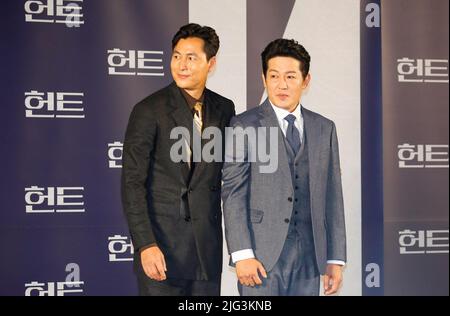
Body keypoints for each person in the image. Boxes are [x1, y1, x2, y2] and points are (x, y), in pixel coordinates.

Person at [222, 38, 346, 296]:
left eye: (290, 76)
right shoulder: (245, 125)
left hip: (310, 258)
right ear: (264, 78)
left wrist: (335, 258)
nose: (282, 84)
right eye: (274, 75)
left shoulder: (324, 128)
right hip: (260, 256)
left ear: (306, 80)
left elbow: (333, 195)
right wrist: (242, 253)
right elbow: (233, 193)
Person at [121, 23, 235, 296]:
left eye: (191, 57)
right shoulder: (149, 110)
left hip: (206, 253)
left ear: (211, 63)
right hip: (161, 251)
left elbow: (232, 174)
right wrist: (145, 245)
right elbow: (132, 183)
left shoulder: (224, 109)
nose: (181, 65)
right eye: (176, 56)